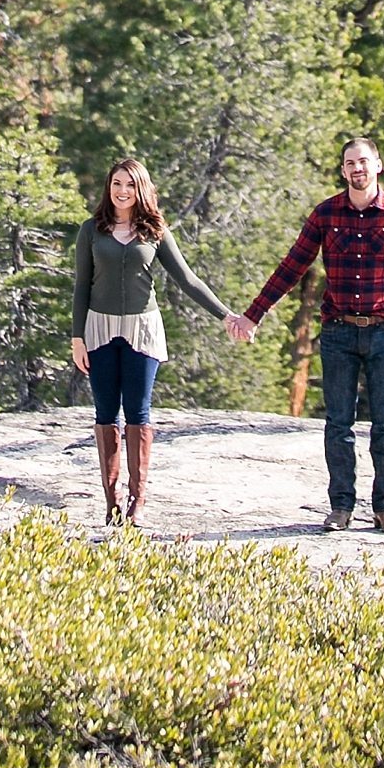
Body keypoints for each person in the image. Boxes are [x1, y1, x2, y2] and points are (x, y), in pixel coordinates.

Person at [225, 136, 384, 533]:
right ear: (343, 170)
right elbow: (292, 267)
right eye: (350, 163)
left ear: (378, 166)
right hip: (338, 332)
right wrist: (253, 315)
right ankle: (341, 507)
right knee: (338, 424)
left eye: (363, 161)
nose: (357, 169)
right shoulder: (326, 214)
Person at [72, 157, 235, 528]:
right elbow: (82, 286)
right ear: (108, 187)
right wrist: (77, 338)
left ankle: (137, 501)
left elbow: (188, 280)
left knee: (138, 412)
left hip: (142, 331)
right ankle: (112, 502)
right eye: (117, 183)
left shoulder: (155, 231)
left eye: (130, 184)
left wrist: (226, 316)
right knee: (105, 412)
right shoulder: (91, 230)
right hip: (98, 329)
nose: (122, 191)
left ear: (141, 189)